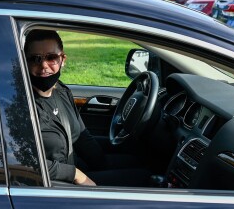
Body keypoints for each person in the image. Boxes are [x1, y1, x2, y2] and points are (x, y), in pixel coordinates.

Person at [24, 29, 146, 187]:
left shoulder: (60, 91)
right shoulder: (22, 105)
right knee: (145, 178)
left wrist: (103, 165)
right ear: (25, 62)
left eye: (51, 57)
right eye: (35, 59)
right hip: (55, 185)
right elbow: (21, 161)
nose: (43, 66)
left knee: (141, 163)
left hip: (75, 169)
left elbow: (81, 137)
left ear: (63, 59)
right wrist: (75, 174)